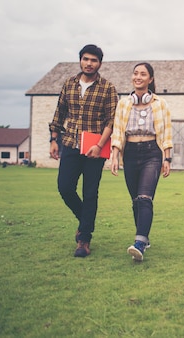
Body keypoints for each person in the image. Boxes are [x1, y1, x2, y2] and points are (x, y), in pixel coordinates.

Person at [49, 44, 118, 258]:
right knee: (65, 187)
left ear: (99, 63)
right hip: (69, 143)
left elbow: (112, 119)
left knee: (90, 193)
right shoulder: (69, 84)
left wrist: (99, 146)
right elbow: (59, 113)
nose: (89, 63)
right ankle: (86, 222)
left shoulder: (107, 87)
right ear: (80, 60)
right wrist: (53, 139)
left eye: (94, 60)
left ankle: (84, 240)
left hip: (94, 149)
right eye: (86, 59)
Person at [110, 63, 173, 262]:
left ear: (150, 79)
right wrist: (114, 154)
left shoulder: (160, 104)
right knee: (136, 201)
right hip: (130, 153)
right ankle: (145, 236)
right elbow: (118, 131)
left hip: (151, 153)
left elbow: (167, 132)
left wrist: (167, 157)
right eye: (136, 73)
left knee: (145, 197)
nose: (138, 77)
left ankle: (139, 243)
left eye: (143, 74)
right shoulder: (123, 104)